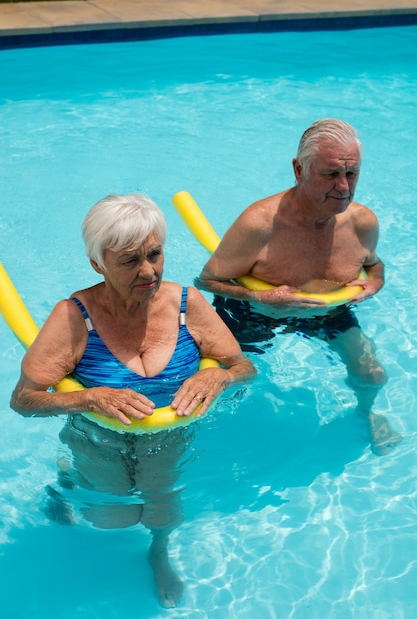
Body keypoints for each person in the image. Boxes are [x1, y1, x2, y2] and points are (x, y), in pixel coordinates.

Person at [11, 193, 255, 608]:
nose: (148, 272)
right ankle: (65, 480)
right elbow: (23, 399)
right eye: (129, 261)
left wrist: (218, 374)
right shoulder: (73, 318)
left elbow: (244, 369)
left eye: (155, 254)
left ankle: (158, 551)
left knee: (164, 514)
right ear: (97, 264)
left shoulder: (186, 305)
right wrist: (89, 397)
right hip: (97, 438)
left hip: (167, 436)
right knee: (111, 518)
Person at [197, 118, 401, 457]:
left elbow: (374, 265)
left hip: (325, 312)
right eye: (331, 174)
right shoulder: (260, 223)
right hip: (254, 312)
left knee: (373, 375)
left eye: (352, 174)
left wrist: (374, 284)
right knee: (227, 384)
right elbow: (207, 281)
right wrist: (258, 295)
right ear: (298, 169)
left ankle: (366, 414)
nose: (344, 188)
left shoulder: (362, 223)